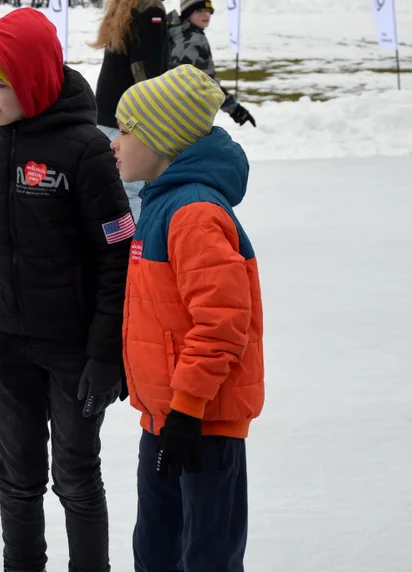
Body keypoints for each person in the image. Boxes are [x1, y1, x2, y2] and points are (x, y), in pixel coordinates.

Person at [0, 8, 132, 572]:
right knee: (18, 474)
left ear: (32, 77)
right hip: (8, 340)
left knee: (75, 475)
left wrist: (107, 356)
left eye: (0, 84)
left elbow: (118, 256)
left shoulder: (85, 150)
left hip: (73, 347)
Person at [109, 64, 264, 572]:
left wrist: (188, 408)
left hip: (202, 421)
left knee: (205, 555)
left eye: (126, 131)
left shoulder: (193, 214)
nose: (115, 142)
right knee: (156, 547)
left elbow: (222, 321)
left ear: (161, 141)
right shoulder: (158, 205)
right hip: (166, 414)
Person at [91, 0, 174, 221]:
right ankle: (133, 252)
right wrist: (152, 114)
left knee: (113, 187)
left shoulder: (127, 1)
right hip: (128, 117)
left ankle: (116, 248)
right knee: (131, 188)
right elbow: (145, 67)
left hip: (106, 110)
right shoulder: (150, 6)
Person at [168, 0, 256, 127]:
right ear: (188, 13)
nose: (205, 14)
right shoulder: (194, 40)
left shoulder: (177, 33)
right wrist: (234, 109)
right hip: (185, 111)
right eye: (199, 11)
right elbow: (206, 83)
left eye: (208, 10)